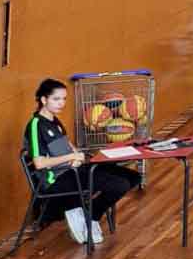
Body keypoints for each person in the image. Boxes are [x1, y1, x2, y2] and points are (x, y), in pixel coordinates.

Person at [21, 78, 138, 244]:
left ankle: (87, 213)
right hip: (56, 180)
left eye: (64, 99)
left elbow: (69, 147)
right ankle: (92, 215)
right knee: (119, 185)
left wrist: (78, 155)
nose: (61, 103)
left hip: (73, 170)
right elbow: (39, 163)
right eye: (56, 99)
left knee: (133, 177)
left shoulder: (55, 122)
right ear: (43, 100)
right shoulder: (35, 125)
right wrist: (71, 158)